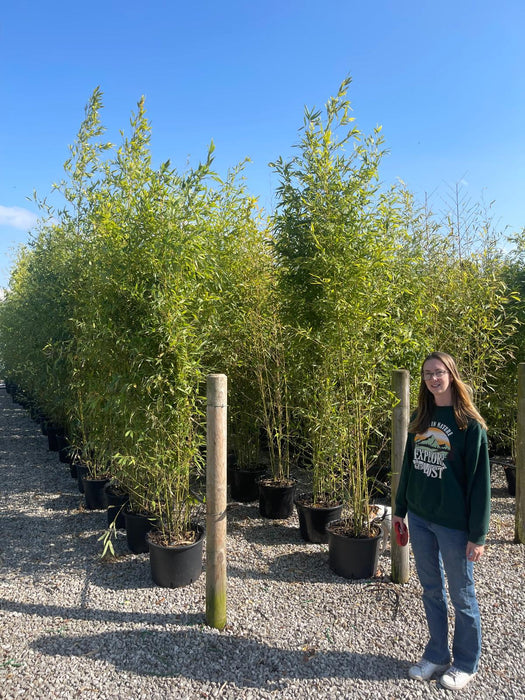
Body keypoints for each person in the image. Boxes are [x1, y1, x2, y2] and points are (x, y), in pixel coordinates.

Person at [393, 351, 491, 691]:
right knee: (431, 590)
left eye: (439, 372)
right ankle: (436, 654)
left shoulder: (469, 426)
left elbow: (481, 484)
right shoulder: (422, 417)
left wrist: (478, 534)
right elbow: (409, 465)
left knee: (462, 594)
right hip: (420, 519)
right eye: (427, 374)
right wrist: (400, 509)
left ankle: (466, 663)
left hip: (453, 524)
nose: (433, 379)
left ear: (451, 374)